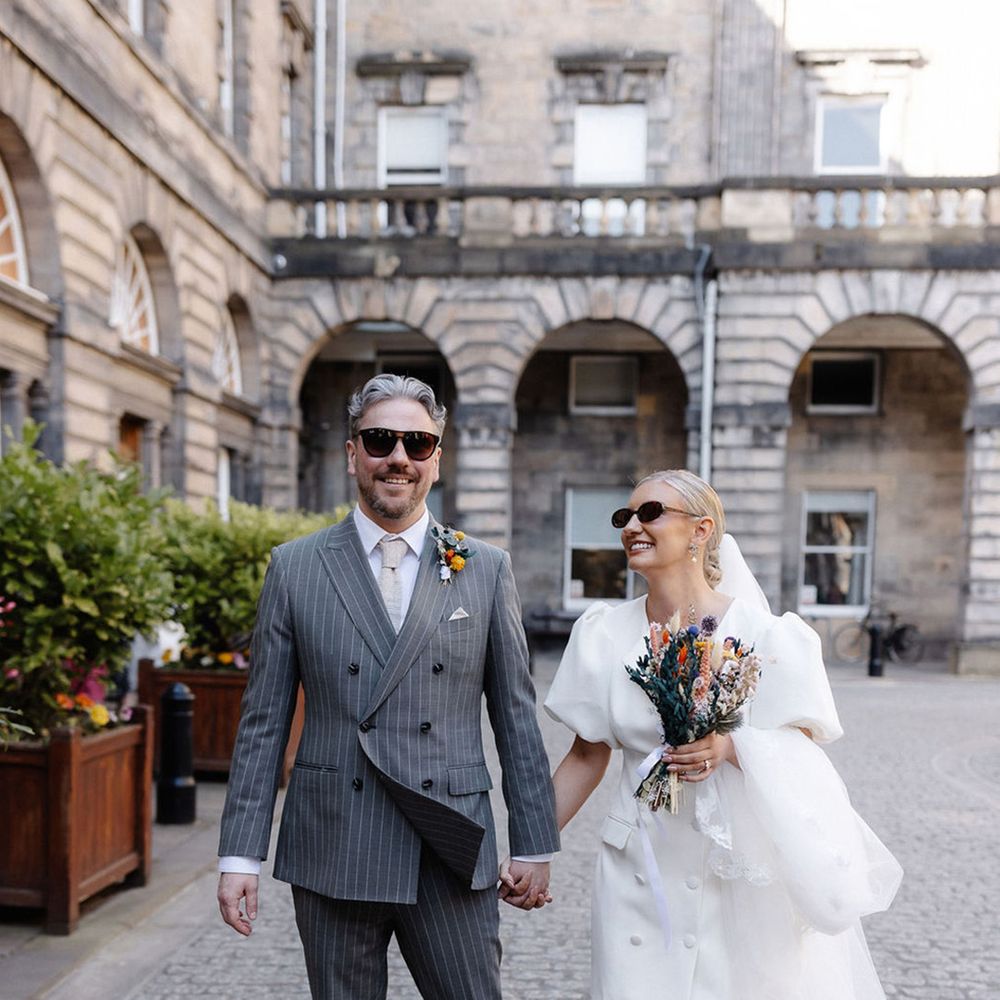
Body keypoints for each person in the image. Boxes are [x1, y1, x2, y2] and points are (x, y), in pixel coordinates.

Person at [217, 374, 559, 999]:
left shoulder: (485, 568)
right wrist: (240, 855)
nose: (398, 457)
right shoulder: (295, 567)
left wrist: (534, 842)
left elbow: (516, 715)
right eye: (380, 440)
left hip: (450, 842)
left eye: (417, 444)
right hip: (333, 840)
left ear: (436, 461)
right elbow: (263, 721)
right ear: (353, 454)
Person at [544, 469, 902, 1000]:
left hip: (735, 874)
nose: (632, 527)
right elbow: (584, 756)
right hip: (638, 865)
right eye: (625, 516)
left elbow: (805, 753)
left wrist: (732, 746)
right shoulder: (601, 633)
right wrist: (532, 848)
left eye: (651, 513)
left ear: (701, 529)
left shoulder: (768, 635)